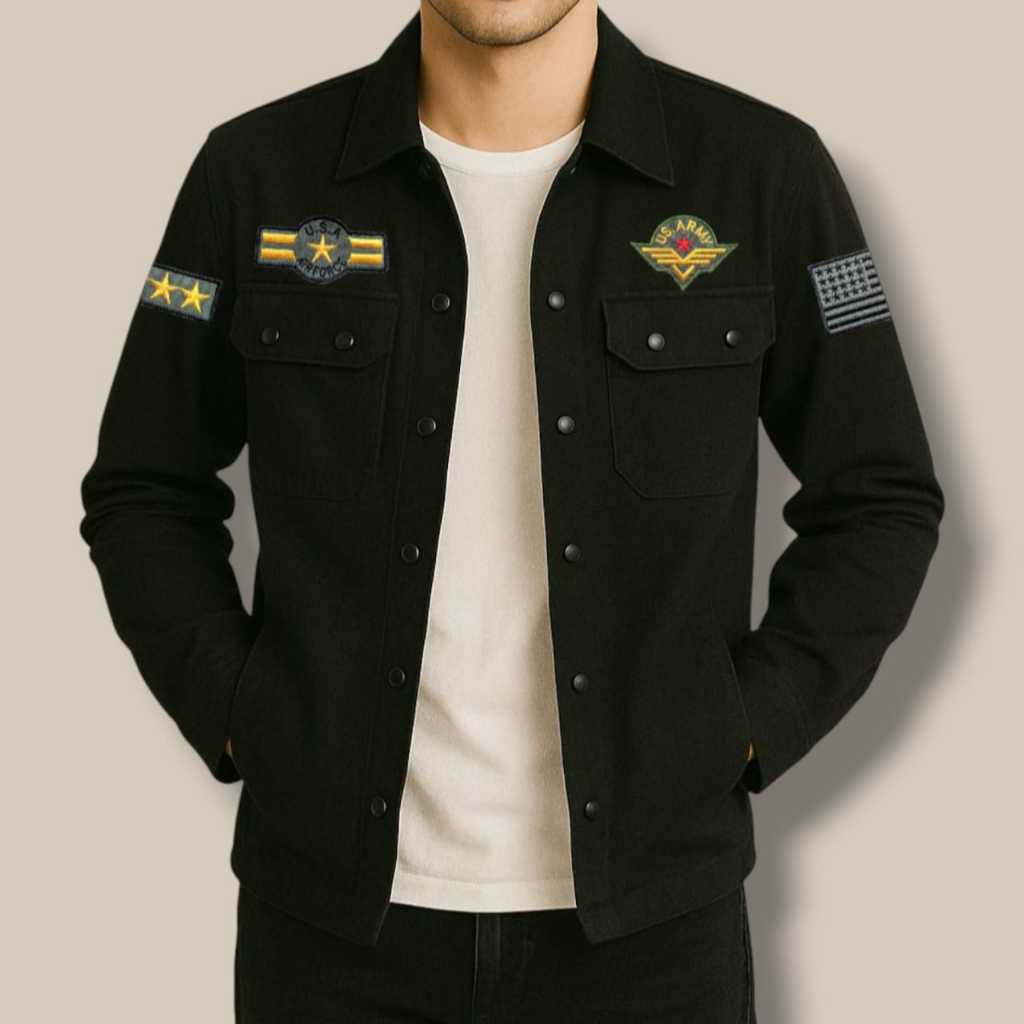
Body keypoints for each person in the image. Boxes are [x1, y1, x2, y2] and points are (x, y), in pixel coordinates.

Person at [79, 1, 944, 1020]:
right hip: (328, 940)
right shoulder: (250, 176)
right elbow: (144, 487)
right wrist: (239, 716)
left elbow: (880, 495)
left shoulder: (768, 174)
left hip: (655, 942)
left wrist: (744, 726)